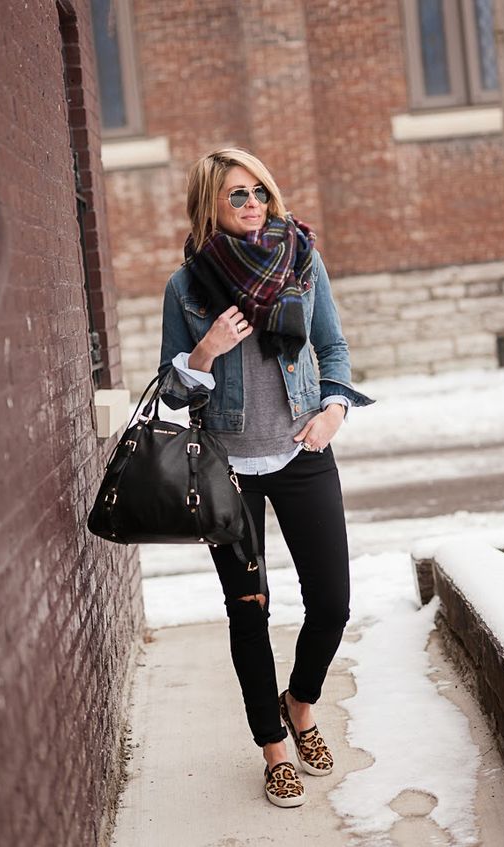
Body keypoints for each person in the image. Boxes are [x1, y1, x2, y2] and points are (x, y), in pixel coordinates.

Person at [158, 148, 373, 807]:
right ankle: (273, 747)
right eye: (237, 197)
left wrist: (334, 408)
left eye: (260, 193)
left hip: (302, 454)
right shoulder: (187, 287)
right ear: (210, 208)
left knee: (332, 602)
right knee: (249, 613)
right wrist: (205, 351)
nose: (254, 205)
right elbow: (171, 393)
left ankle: (300, 701)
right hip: (229, 470)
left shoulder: (301, 262)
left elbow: (330, 345)